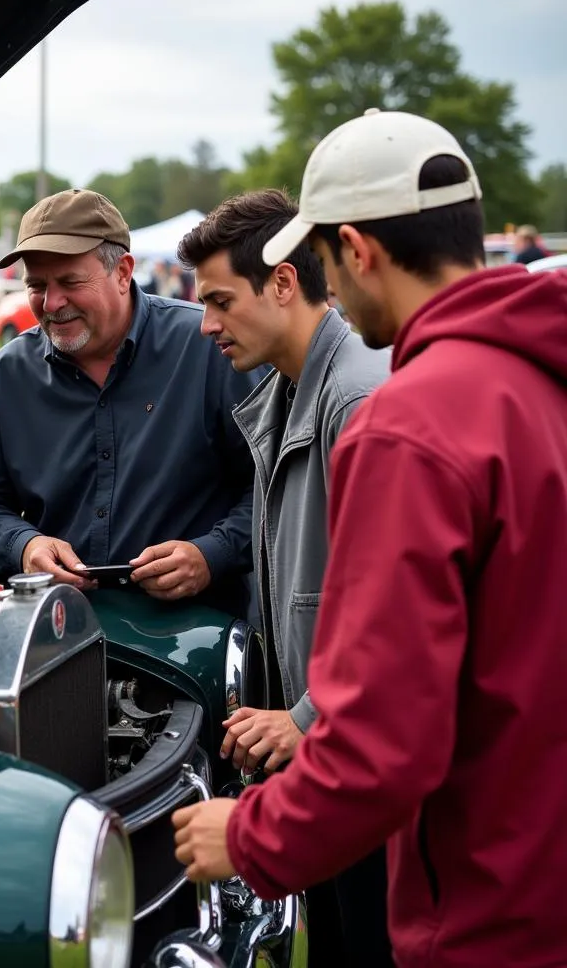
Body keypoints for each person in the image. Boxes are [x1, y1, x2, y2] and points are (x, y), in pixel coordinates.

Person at [171, 109, 567, 967]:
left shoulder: (407, 419)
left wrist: (249, 835)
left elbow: (387, 739)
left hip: (484, 900)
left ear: (357, 248)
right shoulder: (538, 379)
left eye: (326, 260)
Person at [177, 188, 391, 966]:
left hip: (368, 772)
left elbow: (398, 614)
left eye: (220, 301)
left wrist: (303, 716)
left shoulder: (360, 398)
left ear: (283, 284)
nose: (205, 325)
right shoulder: (293, 390)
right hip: (331, 760)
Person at [0, 188, 261, 610]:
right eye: (37, 285)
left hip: (196, 636)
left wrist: (213, 554)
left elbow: (271, 482)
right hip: (57, 630)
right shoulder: (4, 378)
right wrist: (24, 545)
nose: (52, 302)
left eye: (70, 282)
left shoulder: (211, 350)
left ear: (123, 272)